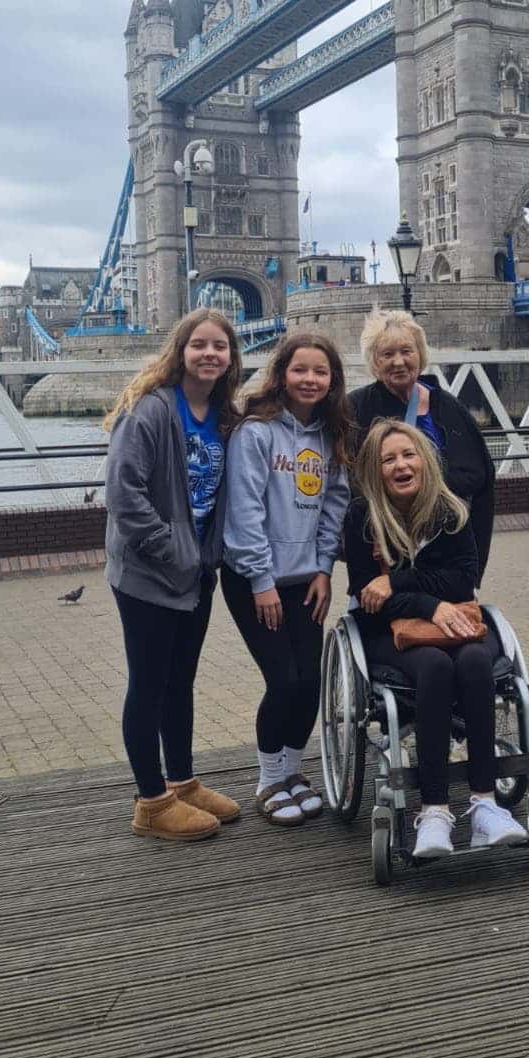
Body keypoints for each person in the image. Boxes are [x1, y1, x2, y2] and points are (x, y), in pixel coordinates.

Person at [344, 419, 526, 860]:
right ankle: (434, 811)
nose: (400, 465)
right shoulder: (361, 519)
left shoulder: (449, 512)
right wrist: (430, 605)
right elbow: (370, 599)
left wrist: (400, 582)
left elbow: (464, 579)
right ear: (374, 469)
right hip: (387, 631)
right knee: (435, 666)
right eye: (388, 459)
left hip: (454, 620)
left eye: (408, 455)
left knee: (475, 662)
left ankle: (485, 805)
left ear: (424, 460)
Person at [104, 309, 243, 842]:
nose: (209, 354)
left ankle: (182, 782)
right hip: (148, 573)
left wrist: (202, 558)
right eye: (199, 344)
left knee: (180, 682)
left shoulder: (225, 416)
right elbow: (124, 494)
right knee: (148, 685)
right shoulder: (149, 410)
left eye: (220, 346)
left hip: (196, 572)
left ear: (231, 357)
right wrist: (172, 551)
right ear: (180, 351)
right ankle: (151, 801)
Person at [221, 333, 351, 827]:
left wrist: (325, 568)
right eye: (300, 370)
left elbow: (334, 504)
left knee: (310, 681)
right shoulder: (255, 433)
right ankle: (268, 780)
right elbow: (245, 510)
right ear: (281, 374)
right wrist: (261, 580)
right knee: (283, 680)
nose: (310, 380)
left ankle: (294, 773)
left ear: (332, 381)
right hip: (256, 581)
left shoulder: (331, 434)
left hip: (306, 580)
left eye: (320, 372)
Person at [348, 307, 496, 578]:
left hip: (446, 549)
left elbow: (479, 476)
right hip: (384, 554)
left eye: (407, 351)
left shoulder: (448, 406)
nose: (398, 362)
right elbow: (348, 481)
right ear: (373, 361)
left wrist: (474, 568)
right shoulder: (357, 408)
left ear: (420, 354)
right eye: (387, 354)